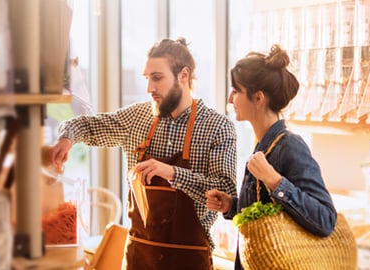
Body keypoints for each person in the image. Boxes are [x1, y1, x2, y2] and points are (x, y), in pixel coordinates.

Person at [49, 37, 237, 270]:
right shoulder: (137, 118)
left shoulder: (217, 126)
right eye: (147, 79)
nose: (149, 88)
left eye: (157, 78)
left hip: (189, 261)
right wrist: (68, 138)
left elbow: (226, 193)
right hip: (140, 258)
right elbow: (86, 125)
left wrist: (173, 173)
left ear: (184, 75)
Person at [206, 44, 337, 270]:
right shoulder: (262, 147)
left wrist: (275, 181)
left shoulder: (290, 146)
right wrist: (232, 206)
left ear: (258, 98)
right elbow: (270, 217)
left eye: (236, 91)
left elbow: (325, 219)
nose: (230, 99)